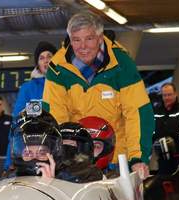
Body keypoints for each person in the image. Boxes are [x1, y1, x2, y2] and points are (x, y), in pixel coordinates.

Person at [43, 11, 153, 179]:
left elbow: (137, 112)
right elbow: (55, 116)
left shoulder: (122, 65)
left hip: (117, 159)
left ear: (100, 38)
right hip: (77, 160)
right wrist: (62, 155)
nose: (83, 46)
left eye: (89, 38)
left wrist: (138, 158)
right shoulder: (58, 69)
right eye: (76, 40)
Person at [4, 41, 58, 172]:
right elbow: (18, 125)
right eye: (41, 58)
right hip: (35, 152)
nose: (46, 61)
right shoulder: (28, 89)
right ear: (37, 64)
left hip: (58, 149)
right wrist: (9, 162)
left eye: (49, 56)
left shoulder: (65, 85)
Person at [152, 82, 179, 175]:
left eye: (169, 95)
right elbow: (151, 131)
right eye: (165, 95)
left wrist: (175, 138)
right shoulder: (156, 112)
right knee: (164, 182)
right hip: (162, 157)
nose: (167, 98)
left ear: (175, 94)